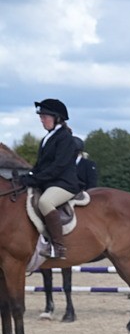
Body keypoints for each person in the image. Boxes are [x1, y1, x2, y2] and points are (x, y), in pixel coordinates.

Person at [19, 99, 81, 259]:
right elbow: (40, 165)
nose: (42, 120)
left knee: (45, 202)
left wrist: (36, 179)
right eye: (41, 117)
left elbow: (58, 167)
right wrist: (28, 176)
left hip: (64, 184)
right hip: (50, 182)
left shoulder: (65, 138)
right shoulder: (48, 138)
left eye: (45, 116)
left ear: (57, 118)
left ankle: (57, 247)